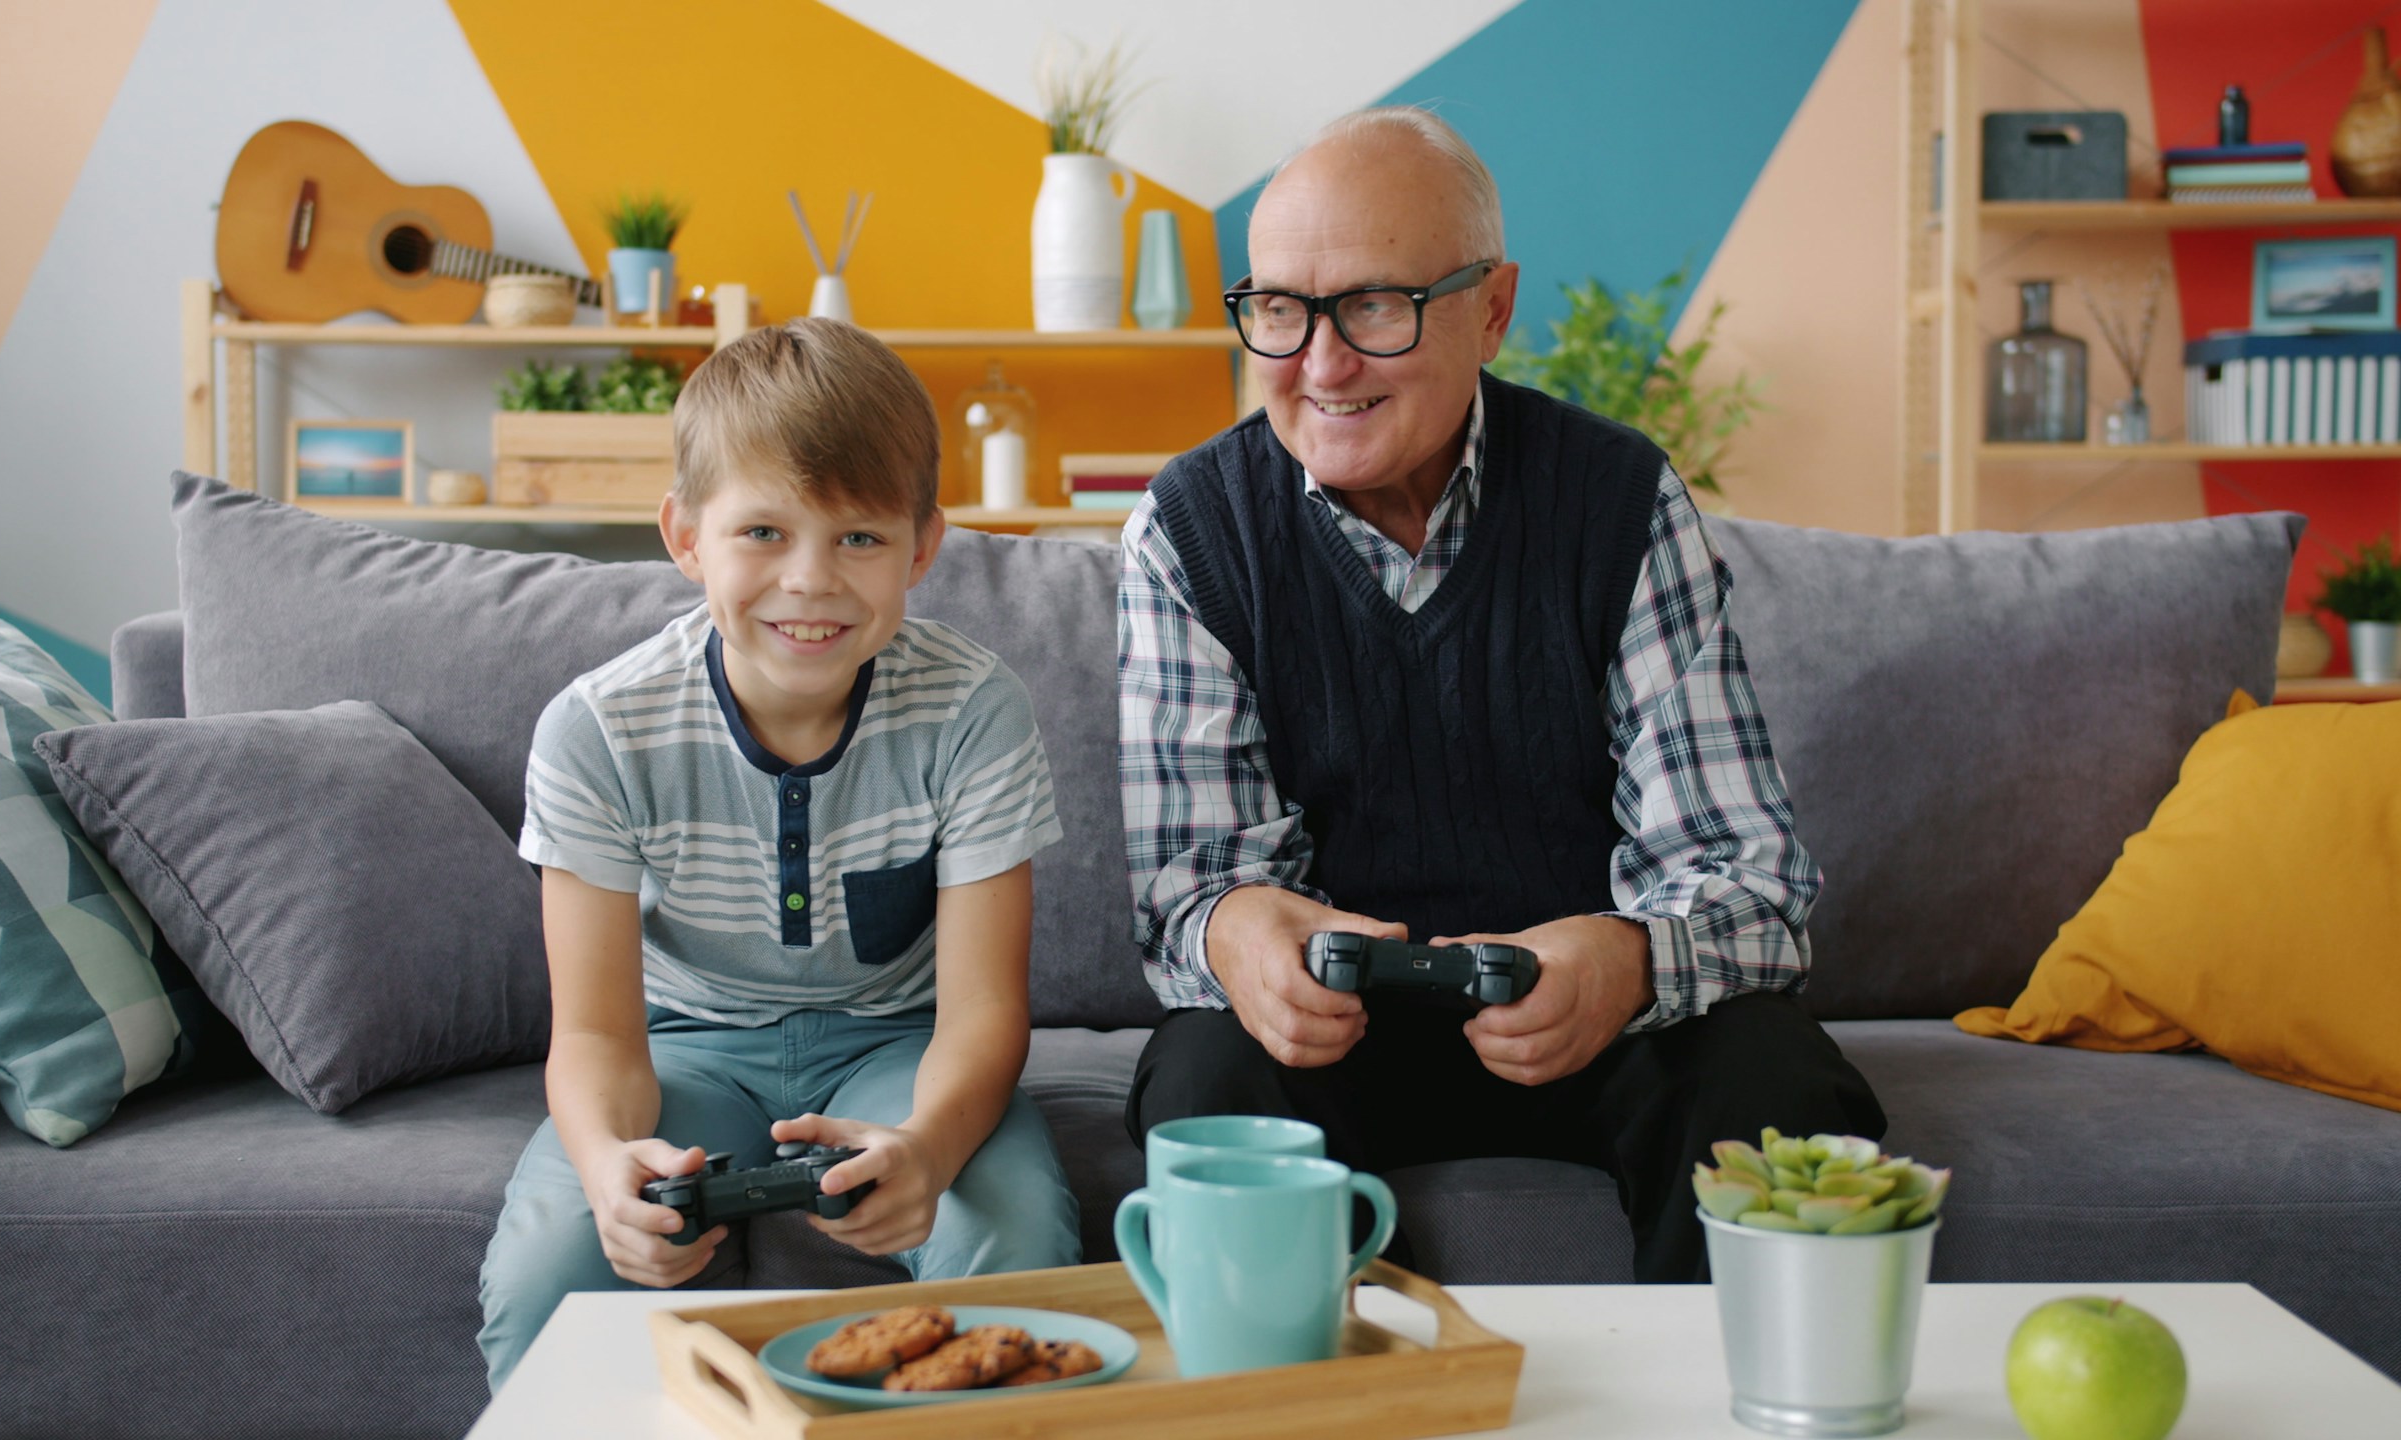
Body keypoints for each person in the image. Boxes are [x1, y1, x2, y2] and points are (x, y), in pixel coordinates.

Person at [1118, 107, 1885, 1282]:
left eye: (1374, 306)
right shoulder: (1188, 529)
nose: (1319, 365)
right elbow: (1189, 887)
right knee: (1209, 1082)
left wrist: (1627, 961)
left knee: (1769, 1079)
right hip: (1333, 1042)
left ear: (1490, 308)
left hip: (1596, 1020)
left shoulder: (1619, 500)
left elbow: (1750, 881)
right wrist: (1234, 934)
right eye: (1279, 310)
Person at [477, 318, 1079, 1387]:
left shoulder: (976, 709)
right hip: (685, 1053)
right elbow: (597, 1035)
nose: (810, 581)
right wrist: (609, 1166)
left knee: (1017, 1250)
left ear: (923, 547)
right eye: (762, 532)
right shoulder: (597, 731)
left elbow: (983, 1010)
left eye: (858, 538)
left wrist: (931, 1147)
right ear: (683, 535)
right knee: (544, 1277)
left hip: (898, 1048)